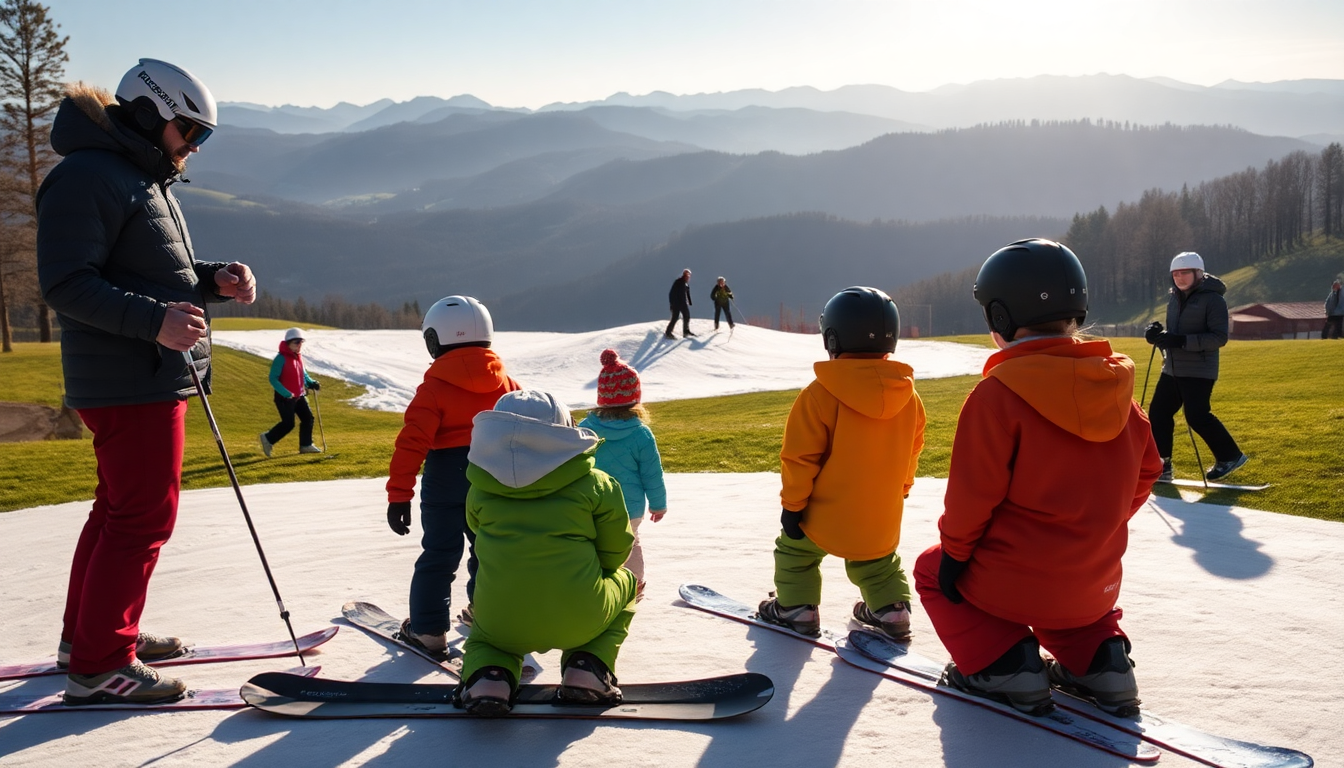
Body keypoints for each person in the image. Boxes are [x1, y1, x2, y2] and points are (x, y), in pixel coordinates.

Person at [37, 59, 256, 705]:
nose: (193, 145)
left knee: (118, 512)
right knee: (141, 519)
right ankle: (103, 663)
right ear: (149, 113)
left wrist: (209, 279)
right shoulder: (89, 175)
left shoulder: (134, 173)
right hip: (130, 377)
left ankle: (91, 639)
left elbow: (145, 269)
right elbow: (67, 284)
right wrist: (158, 322)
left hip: (140, 370)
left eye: (202, 135)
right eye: (189, 130)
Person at [914, 238, 1162, 717]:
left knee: (930, 568)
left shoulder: (997, 397)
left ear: (1001, 319)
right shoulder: (1118, 394)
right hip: (1094, 584)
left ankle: (1006, 664)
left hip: (1016, 582)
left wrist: (955, 556)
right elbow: (1148, 469)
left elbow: (971, 499)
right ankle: (1102, 662)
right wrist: (1100, 519)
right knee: (1070, 608)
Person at [455, 390, 637, 716]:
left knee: (486, 638)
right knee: (626, 582)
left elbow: (480, 538)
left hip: (502, 618)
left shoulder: (479, 490)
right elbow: (615, 552)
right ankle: (588, 667)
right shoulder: (597, 485)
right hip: (582, 616)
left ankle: (488, 678)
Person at [758, 286, 925, 642]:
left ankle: (796, 608)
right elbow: (912, 450)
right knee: (878, 561)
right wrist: (902, 489)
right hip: (880, 514)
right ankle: (892, 610)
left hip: (823, 516)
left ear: (832, 339)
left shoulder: (819, 394)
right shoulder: (909, 396)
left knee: (795, 552)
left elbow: (799, 458)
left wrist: (793, 507)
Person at [386, 296, 520, 657]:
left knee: (440, 554)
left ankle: (429, 631)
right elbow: (528, 427)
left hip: (445, 479)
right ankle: (486, 614)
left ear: (434, 339)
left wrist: (399, 495)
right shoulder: (506, 383)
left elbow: (412, 443)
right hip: (494, 479)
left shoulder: (433, 389)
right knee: (489, 552)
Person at [1144, 252, 1248, 482]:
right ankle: (1163, 465)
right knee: (1158, 413)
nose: (1180, 278)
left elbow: (1218, 338)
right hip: (1172, 368)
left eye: (1185, 273)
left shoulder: (1214, 300)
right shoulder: (1175, 297)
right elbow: (1173, 334)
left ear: (1198, 273)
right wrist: (1157, 336)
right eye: (1176, 274)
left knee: (1197, 416)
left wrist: (1180, 341)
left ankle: (1230, 457)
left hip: (1199, 370)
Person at [578, 349, 668, 600]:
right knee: (630, 544)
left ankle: (596, 590)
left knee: (594, 546)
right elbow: (652, 473)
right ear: (635, 397)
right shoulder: (641, 434)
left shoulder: (585, 430)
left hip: (592, 504)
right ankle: (634, 588)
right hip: (630, 508)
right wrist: (658, 505)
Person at [259, 327, 322, 457]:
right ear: (288, 343)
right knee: (288, 424)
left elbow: (303, 375)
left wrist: (311, 383)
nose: (299, 345)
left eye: (301, 343)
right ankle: (268, 439)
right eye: (296, 342)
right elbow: (273, 378)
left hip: (299, 396)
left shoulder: (298, 357)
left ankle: (306, 445)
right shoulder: (281, 358)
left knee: (308, 418)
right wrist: (286, 393)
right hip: (284, 398)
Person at [664, 268, 695, 339]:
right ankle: (668, 332)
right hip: (676, 303)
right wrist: (672, 303)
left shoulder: (686, 284)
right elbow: (671, 293)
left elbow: (687, 293)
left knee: (686, 316)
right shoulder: (678, 282)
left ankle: (686, 331)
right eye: (686, 275)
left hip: (683, 303)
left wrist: (689, 302)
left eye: (689, 275)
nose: (688, 277)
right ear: (684, 275)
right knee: (675, 317)